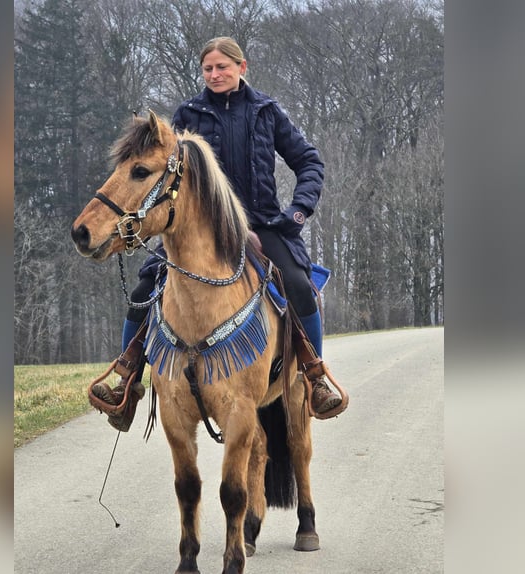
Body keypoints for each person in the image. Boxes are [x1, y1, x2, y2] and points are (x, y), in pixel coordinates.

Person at [94, 36, 341, 431]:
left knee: (297, 284)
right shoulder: (188, 114)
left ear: (242, 68)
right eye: (208, 69)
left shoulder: (267, 112)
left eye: (222, 67)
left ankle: (313, 376)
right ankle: (127, 380)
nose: (215, 75)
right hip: (198, 231)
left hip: (261, 225)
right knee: (145, 291)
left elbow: (309, 162)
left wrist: (297, 212)